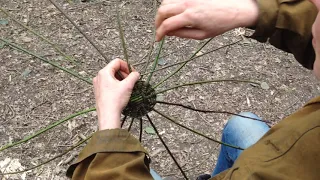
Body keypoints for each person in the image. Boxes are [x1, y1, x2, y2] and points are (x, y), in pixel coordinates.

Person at [66, 0, 320, 179]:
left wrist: (108, 125)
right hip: (269, 158)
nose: (314, 10)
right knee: (243, 125)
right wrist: (251, 11)